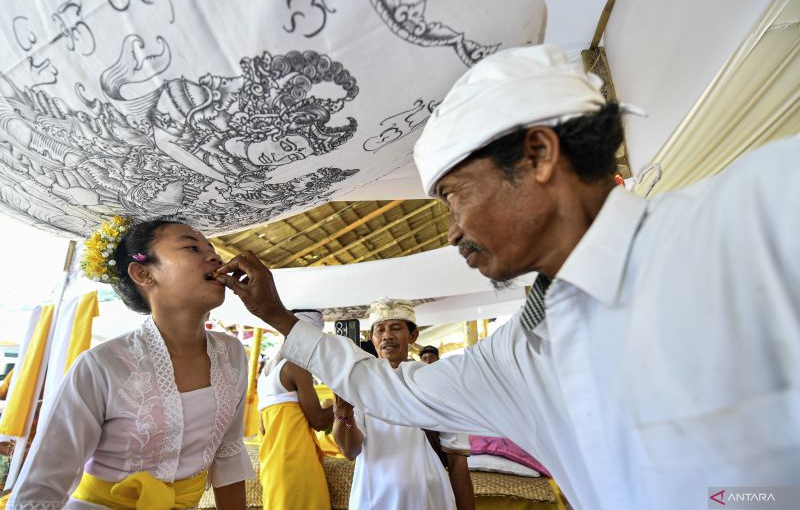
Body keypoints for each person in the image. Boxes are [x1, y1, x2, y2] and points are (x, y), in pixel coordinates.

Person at [215, 44, 800, 510]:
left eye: (453, 197)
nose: (449, 232)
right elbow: (395, 392)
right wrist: (278, 318)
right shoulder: (520, 350)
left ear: (539, 155)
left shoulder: (762, 211)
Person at [8, 217, 252, 510]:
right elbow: (44, 482)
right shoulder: (103, 366)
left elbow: (228, 453)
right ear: (143, 273)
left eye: (212, 249)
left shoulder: (232, 355)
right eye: (191, 248)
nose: (214, 256)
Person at [332, 298, 473, 510]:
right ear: (372, 338)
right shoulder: (360, 384)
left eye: (396, 328)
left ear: (413, 335)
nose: (387, 335)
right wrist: (343, 413)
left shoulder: (437, 383)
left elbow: (457, 462)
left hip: (430, 501)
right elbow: (350, 451)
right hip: (373, 501)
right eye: (380, 330)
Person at [257, 310, 333, 510]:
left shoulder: (264, 375)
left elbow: (264, 429)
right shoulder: (296, 366)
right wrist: (344, 402)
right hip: (296, 463)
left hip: (272, 463)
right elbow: (319, 421)